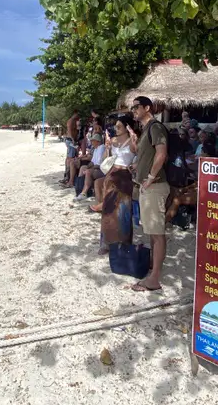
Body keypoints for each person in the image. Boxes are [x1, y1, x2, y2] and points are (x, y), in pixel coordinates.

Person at [130, 96, 169, 292]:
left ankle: (154, 280)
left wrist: (151, 177)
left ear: (147, 107)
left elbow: (162, 154)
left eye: (137, 107)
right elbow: (147, 155)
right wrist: (137, 166)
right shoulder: (146, 130)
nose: (134, 110)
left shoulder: (155, 127)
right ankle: (153, 268)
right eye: (133, 107)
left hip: (155, 186)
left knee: (157, 233)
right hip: (148, 186)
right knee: (153, 233)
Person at [90, 116, 136, 213]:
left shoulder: (133, 141)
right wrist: (107, 148)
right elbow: (105, 158)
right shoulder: (113, 139)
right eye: (115, 127)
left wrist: (134, 165)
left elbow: (140, 157)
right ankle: (103, 205)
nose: (116, 129)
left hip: (124, 172)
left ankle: (103, 205)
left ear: (127, 127)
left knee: (112, 181)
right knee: (100, 182)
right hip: (112, 170)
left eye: (119, 127)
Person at [74, 134, 107, 202]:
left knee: (88, 172)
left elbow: (99, 165)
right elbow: (92, 162)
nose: (91, 142)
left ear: (97, 141)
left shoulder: (101, 148)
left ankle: (84, 193)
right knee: (83, 167)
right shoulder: (96, 149)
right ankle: (79, 190)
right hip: (96, 168)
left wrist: (88, 169)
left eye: (93, 141)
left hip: (101, 170)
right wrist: (87, 167)